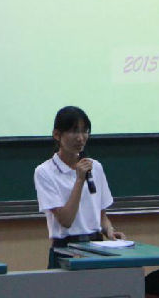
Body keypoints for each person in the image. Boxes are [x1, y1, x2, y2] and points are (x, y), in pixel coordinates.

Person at [34, 105, 125, 269]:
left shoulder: (95, 167)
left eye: (85, 131)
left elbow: (101, 215)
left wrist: (109, 230)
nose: (81, 138)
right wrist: (79, 180)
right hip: (65, 250)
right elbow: (66, 220)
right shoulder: (44, 172)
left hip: (97, 248)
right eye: (74, 131)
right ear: (57, 134)